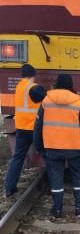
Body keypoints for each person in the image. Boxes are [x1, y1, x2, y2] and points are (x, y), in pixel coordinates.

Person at [33, 74, 80, 218]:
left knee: (56, 177)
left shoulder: (46, 101)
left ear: (57, 84)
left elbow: (38, 126)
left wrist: (38, 145)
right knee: (77, 176)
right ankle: (79, 207)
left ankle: (57, 209)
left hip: (53, 147)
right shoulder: (78, 103)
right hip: (74, 148)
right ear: (71, 85)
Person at [4, 64, 53, 197]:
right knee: (48, 157)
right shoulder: (34, 88)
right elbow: (50, 99)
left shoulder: (20, 86)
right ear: (33, 75)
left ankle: (9, 188)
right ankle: (53, 187)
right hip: (34, 129)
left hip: (21, 128)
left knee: (18, 157)